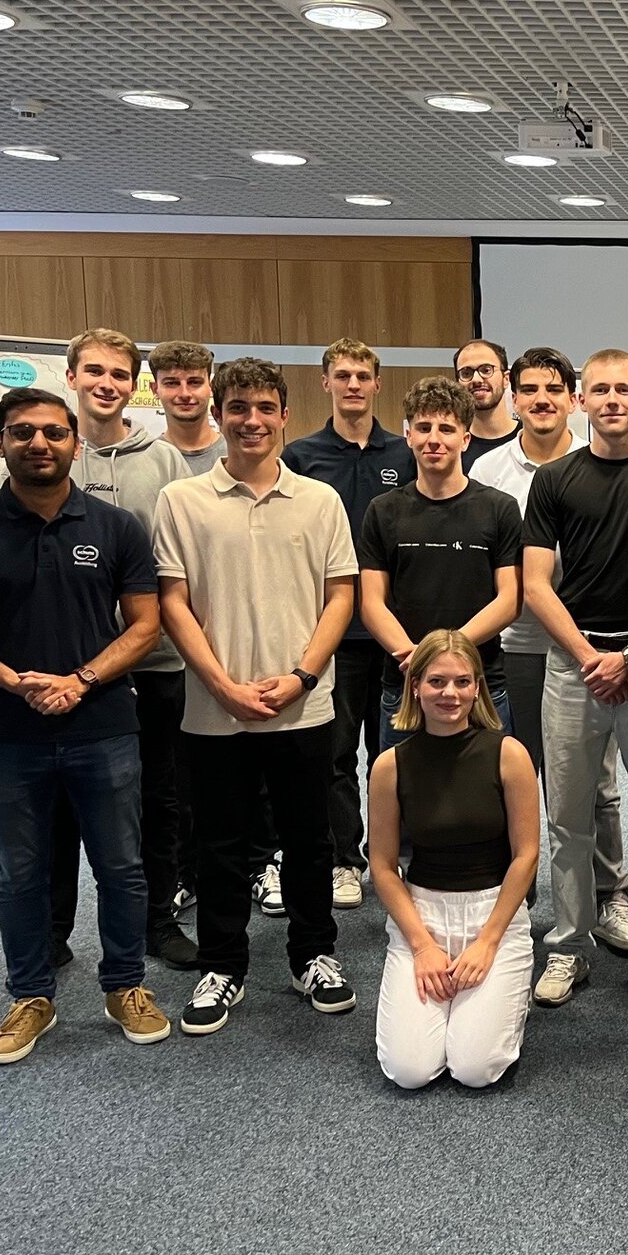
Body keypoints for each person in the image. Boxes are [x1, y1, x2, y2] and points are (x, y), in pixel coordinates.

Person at [0, 387, 171, 1062]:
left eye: (54, 434)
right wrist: (14, 681)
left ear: (75, 444)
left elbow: (146, 623)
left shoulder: (116, 526)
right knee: (19, 872)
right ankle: (30, 996)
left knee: (122, 868)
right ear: (0, 441)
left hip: (105, 727)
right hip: (9, 731)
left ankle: (125, 985)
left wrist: (81, 679)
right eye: (23, 432)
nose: (40, 443)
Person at [153, 357, 361, 1035]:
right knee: (220, 843)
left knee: (309, 839)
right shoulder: (181, 501)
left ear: (284, 417)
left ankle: (314, 955)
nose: (251, 420)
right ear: (219, 414)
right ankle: (224, 964)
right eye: (238, 407)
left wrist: (301, 675)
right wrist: (220, 683)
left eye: (265, 407)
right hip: (216, 709)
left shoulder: (320, 501)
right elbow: (173, 601)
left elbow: (340, 595)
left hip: (303, 704)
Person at [524, 348, 628, 1010]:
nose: (613, 399)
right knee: (566, 819)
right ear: (581, 401)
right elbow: (537, 584)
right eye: (600, 390)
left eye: (625, 388)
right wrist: (590, 656)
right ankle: (569, 947)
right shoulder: (555, 480)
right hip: (573, 666)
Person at [469, 347, 628, 926]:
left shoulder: (602, 464)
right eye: (530, 390)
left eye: (553, 389)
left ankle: (612, 890)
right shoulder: (487, 470)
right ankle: (523, 894)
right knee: (528, 772)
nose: (541, 400)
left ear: (573, 399)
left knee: (603, 779)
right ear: (514, 399)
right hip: (520, 645)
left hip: (600, 649)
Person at [49, 328, 197, 971]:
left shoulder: (163, 460)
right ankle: (52, 929)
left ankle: (155, 921)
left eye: (119, 373)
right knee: (59, 802)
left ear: (133, 383)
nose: (106, 383)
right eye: (94, 371)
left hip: (156, 660)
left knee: (159, 798)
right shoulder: (52, 452)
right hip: (65, 662)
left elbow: (176, 565)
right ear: (72, 376)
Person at [371, 630, 540, 1089]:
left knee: (474, 1069)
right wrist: (423, 946)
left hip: (493, 915)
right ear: (415, 688)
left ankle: (507, 987)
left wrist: (487, 942)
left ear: (479, 688)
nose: (450, 694)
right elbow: (383, 866)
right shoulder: (390, 765)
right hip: (423, 916)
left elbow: (526, 856)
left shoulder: (509, 754)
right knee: (409, 1071)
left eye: (464, 682)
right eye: (437, 682)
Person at [281, 338, 416, 911]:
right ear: (326, 383)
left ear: (377, 384)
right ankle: (345, 860)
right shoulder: (301, 455)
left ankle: (403, 856)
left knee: (397, 753)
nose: (354, 384)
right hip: (333, 633)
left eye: (363, 375)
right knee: (336, 754)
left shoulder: (406, 454)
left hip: (398, 634)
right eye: (343, 375)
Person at [360, 377, 522, 753]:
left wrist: (444, 655)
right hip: (404, 683)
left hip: (481, 684)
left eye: (447, 429)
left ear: (465, 439)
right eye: (424, 427)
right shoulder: (382, 511)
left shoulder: (499, 509)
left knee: (487, 798)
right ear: (408, 435)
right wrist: (419, 661)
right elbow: (370, 602)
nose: (434, 439)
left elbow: (511, 599)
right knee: (401, 797)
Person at [151, 340, 224, 476]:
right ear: (155, 389)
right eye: (172, 383)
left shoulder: (238, 455)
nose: (184, 394)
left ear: (211, 386)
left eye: (194, 382)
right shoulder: (145, 460)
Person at [454, 338, 520, 463]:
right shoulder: (452, 446)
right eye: (466, 373)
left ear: (506, 379)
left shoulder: (529, 438)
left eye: (486, 370)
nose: (476, 379)